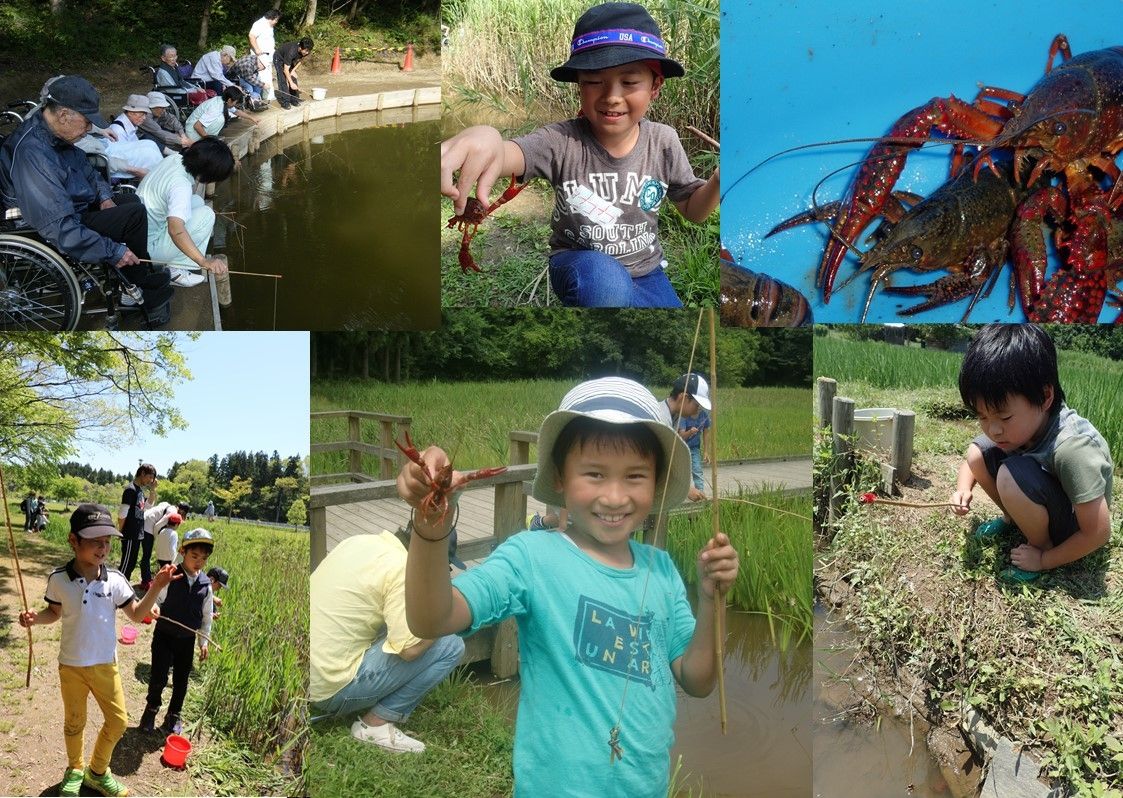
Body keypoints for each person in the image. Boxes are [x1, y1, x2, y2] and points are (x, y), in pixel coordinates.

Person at [400, 377, 739, 793]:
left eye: (635, 476)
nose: (615, 497)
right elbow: (431, 617)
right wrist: (430, 522)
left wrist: (712, 600)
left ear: (657, 482)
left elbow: (698, 680)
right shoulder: (532, 557)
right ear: (560, 477)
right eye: (594, 474)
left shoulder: (662, 570)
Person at [440, 2, 719, 308]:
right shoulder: (561, 141)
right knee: (606, 285)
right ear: (579, 86)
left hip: (647, 271)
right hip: (581, 264)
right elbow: (510, 153)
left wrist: (718, 180)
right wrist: (490, 138)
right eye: (594, 81)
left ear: (655, 86)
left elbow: (694, 211)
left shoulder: (663, 141)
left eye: (629, 82)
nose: (612, 96)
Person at [18, 504, 180, 798]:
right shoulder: (58, 579)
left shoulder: (116, 580)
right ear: (73, 540)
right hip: (71, 666)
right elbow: (53, 613)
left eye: (107, 541)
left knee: (117, 721)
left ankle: (97, 771)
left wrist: (155, 588)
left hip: (106, 664)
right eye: (95, 540)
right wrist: (34, 618)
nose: (103, 548)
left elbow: (136, 614)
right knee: (74, 722)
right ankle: (74, 769)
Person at [950, 324, 1113, 581]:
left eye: (1004, 417)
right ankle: (1014, 518)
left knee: (1010, 476)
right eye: (982, 416)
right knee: (976, 454)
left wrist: (1044, 561)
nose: (994, 429)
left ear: (1045, 396)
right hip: (1046, 495)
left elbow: (1099, 532)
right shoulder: (1024, 427)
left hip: (1074, 526)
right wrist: (963, 489)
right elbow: (971, 464)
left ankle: (1042, 546)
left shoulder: (1072, 448)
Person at [0, 76, 174, 311]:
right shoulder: (34, 153)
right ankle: (131, 293)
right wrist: (113, 251)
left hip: (68, 204)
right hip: (50, 222)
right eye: (86, 122)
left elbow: (87, 169)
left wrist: (104, 196)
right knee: (133, 215)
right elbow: (58, 226)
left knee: (130, 200)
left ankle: (138, 277)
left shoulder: (54, 134)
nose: (90, 129)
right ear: (63, 115)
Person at [310, 530, 465, 753]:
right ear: (432, 560)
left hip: (303, 672)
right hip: (328, 687)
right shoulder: (404, 570)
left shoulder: (361, 540)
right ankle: (375, 725)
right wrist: (444, 620)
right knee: (450, 644)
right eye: (444, 570)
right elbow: (409, 651)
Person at [139, 528, 216, 735]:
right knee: (159, 676)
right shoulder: (170, 575)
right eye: (194, 556)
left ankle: (174, 714)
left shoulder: (206, 585)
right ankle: (151, 708)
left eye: (203, 558)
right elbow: (155, 598)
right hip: (164, 635)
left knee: (181, 680)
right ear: (182, 551)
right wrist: (154, 608)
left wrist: (204, 642)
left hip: (187, 640)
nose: (198, 562)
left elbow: (206, 616)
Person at [136, 136, 235, 288]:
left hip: (138, 232)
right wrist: (203, 261)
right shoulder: (180, 186)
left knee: (197, 201)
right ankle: (175, 270)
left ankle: (175, 262)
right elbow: (176, 231)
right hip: (148, 250)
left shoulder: (175, 159)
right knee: (207, 215)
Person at [666, 372, 712, 502]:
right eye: (696, 405)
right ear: (684, 397)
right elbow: (660, 462)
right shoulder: (661, 419)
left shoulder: (674, 417)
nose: (697, 410)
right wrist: (687, 489)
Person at [100, 94, 163, 179]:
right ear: (130, 113)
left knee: (151, 144)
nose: (144, 118)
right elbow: (121, 157)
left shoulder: (130, 125)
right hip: (120, 168)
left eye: (145, 114)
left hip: (129, 163)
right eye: (142, 114)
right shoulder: (118, 130)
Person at [118, 463, 156, 583]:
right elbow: (122, 513)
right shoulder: (130, 490)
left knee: (131, 564)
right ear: (142, 473)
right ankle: (117, 589)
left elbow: (148, 506)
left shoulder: (139, 491)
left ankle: (123, 591)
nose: (151, 480)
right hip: (129, 533)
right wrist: (120, 531)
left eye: (152, 478)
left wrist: (153, 490)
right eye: (150, 477)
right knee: (126, 564)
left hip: (137, 534)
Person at [184, 85, 258, 142]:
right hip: (192, 133)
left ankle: (210, 137)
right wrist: (210, 140)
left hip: (194, 128)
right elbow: (197, 126)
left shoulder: (223, 101)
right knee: (220, 119)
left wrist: (252, 118)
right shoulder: (216, 107)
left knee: (221, 118)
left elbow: (236, 112)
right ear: (229, 100)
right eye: (236, 102)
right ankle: (208, 139)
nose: (236, 105)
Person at [154, 45, 205, 109]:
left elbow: (182, 81)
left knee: (205, 92)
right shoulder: (163, 72)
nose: (174, 59)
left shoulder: (173, 68)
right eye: (171, 56)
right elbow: (173, 89)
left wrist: (196, 88)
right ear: (163, 58)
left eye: (175, 56)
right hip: (175, 94)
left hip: (181, 90)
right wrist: (193, 90)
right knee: (203, 96)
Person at [248, 9, 280, 102]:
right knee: (262, 76)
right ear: (272, 18)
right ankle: (261, 97)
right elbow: (251, 36)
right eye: (276, 20)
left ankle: (269, 96)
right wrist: (257, 49)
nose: (276, 22)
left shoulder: (269, 26)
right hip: (261, 55)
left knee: (268, 75)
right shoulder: (259, 24)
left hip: (268, 55)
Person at [273, 36, 313, 109]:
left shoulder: (304, 51)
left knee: (293, 77)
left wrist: (293, 70)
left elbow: (300, 61)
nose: (307, 53)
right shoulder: (291, 52)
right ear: (300, 47)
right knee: (283, 80)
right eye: (306, 51)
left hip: (289, 61)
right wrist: (290, 83)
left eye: (308, 51)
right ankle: (285, 102)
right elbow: (285, 70)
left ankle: (294, 99)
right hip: (279, 59)